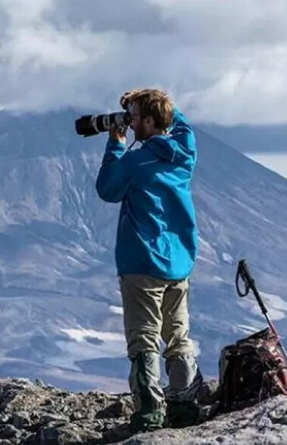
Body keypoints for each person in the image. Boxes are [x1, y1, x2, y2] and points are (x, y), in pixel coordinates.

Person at [95, 88, 203, 432]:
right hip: (180, 262)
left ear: (150, 121)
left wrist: (115, 141)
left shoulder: (136, 160)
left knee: (144, 339)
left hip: (142, 262)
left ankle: (150, 413)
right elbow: (182, 125)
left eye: (136, 116)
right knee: (178, 336)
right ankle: (184, 407)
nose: (131, 121)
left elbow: (107, 189)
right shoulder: (185, 153)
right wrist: (152, 100)